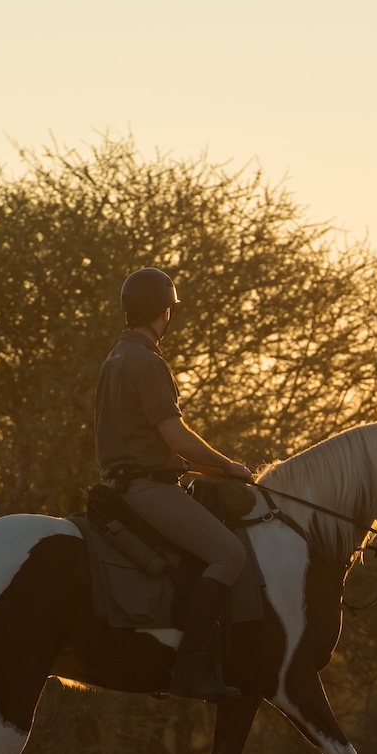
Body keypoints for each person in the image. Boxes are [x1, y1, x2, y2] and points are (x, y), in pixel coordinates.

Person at [94, 267, 252, 703]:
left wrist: (201, 470)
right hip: (146, 490)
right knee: (229, 553)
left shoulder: (115, 358)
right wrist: (229, 466)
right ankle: (190, 669)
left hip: (124, 483)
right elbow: (175, 436)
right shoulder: (147, 361)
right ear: (165, 312)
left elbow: (140, 440)